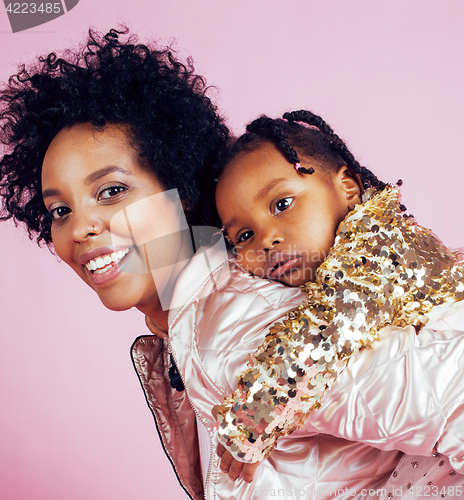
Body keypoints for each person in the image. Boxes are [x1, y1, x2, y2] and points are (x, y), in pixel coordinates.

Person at [0, 29, 453, 500]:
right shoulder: (198, 320)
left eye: (112, 191)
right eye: (60, 210)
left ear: (179, 188)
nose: (80, 229)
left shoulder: (227, 326)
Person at [212, 111, 464, 493]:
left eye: (281, 204)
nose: (266, 238)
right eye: (243, 235)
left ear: (346, 187)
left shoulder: (376, 245)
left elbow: (324, 333)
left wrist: (251, 416)